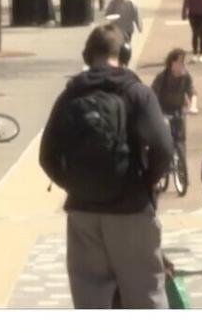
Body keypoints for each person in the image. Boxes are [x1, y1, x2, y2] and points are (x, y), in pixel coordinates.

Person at [39, 25, 173, 309]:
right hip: (131, 209)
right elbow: (164, 147)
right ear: (124, 53)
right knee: (145, 297)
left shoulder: (70, 95)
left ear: (87, 56)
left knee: (90, 299)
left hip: (83, 212)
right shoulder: (137, 93)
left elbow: (47, 157)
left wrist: (77, 185)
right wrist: (146, 182)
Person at [151, 49, 201, 165]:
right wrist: (157, 114)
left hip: (178, 111)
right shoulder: (162, 77)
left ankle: (182, 169)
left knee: (180, 141)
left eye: (184, 61)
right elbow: (152, 96)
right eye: (181, 61)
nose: (184, 64)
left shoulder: (186, 77)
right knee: (162, 140)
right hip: (162, 111)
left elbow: (192, 92)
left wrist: (193, 106)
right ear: (172, 63)